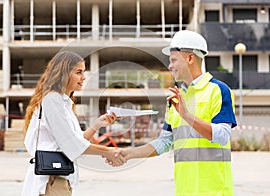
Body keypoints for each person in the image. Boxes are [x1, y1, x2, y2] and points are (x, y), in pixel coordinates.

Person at [117, 30, 237, 196]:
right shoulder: (175, 98)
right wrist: (128, 154)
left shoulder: (218, 90)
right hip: (184, 190)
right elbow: (164, 142)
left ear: (190, 58)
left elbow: (223, 135)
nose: (170, 66)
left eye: (173, 60)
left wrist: (186, 115)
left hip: (214, 190)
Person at [21, 50, 126, 196]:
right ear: (63, 73)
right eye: (78, 72)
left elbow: (75, 142)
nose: (83, 78)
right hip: (51, 181)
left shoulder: (63, 103)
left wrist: (96, 125)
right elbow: (73, 145)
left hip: (60, 179)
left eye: (84, 72)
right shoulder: (52, 100)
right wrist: (108, 152)